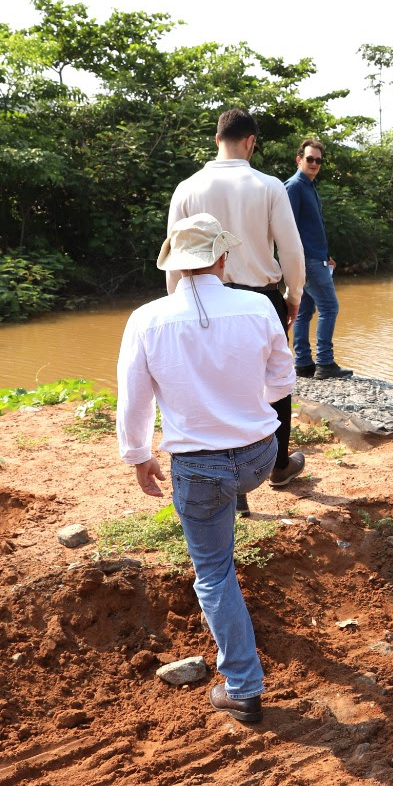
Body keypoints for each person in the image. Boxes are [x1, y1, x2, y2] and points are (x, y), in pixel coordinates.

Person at [117, 214, 296, 724]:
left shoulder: (146, 318)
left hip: (199, 472)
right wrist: (244, 407)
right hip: (260, 456)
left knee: (215, 573)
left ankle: (242, 687)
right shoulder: (258, 306)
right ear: (221, 259)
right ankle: (233, 500)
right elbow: (282, 378)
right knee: (225, 499)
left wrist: (138, 455)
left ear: (174, 266)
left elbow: (134, 400)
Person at [167, 108, 308, 506]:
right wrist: (293, 295)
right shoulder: (268, 186)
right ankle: (278, 465)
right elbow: (291, 249)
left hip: (202, 293)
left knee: (215, 382)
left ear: (217, 140)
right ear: (250, 142)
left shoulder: (187, 187)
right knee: (274, 381)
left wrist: (177, 301)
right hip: (259, 298)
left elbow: (175, 254)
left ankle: (233, 489)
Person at [285, 137, 351, 380]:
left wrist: (326, 256)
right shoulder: (294, 186)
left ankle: (303, 364)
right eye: (310, 159)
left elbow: (311, 228)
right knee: (329, 308)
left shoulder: (309, 186)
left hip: (315, 258)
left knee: (304, 312)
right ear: (299, 159)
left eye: (318, 160)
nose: (314, 163)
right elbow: (288, 227)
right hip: (307, 260)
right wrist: (301, 261)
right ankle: (324, 362)